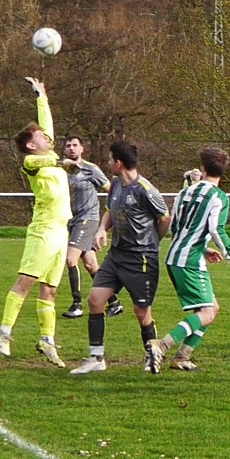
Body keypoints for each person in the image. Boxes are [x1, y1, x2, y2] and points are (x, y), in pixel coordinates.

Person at [150, 146, 230, 371]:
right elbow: (216, 229)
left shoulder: (184, 193)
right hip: (189, 261)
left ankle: (182, 357)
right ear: (224, 171)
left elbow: (177, 227)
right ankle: (161, 345)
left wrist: (204, 249)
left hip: (176, 256)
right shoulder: (218, 197)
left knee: (211, 309)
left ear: (203, 168)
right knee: (207, 312)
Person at [71, 140, 170, 374]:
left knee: (142, 312)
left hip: (140, 259)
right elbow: (109, 210)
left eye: (110, 159)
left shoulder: (146, 190)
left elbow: (165, 218)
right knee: (95, 300)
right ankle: (96, 358)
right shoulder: (115, 184)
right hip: (116, 255)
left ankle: (152, 355)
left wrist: (152, 242)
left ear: (119, 162)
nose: (107, 163)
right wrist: (101, 229)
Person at [0, 77, 73, 366]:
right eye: (41, 136)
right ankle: (4, 331)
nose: (48, 138)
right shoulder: (32, 163)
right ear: (31, 144)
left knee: (50, 289)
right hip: (43, 231)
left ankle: (47, 340)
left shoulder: (49, 153)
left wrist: (41, 97)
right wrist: (62, 163)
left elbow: (47, 127)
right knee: (27, 281)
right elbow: (42, 161)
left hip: (61, 231)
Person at [60, 136, 109, 319]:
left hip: (87, 219)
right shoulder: (61, 170)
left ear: (82, 149)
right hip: (72, 220)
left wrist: (106, 220)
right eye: (68, 146)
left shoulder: (90, 169)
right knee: (90, 264)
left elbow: (110, 189)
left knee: (70, 259)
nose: (71, 148)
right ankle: (114, 302)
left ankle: (77, 304)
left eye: (75, 145)